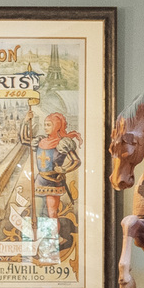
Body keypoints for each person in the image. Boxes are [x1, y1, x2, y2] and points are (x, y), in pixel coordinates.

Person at [31, 109, 81, 266]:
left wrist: (63, 169)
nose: (45, 127)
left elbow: (76, 161)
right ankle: (41, 246)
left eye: (48, 124)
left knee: (52, 214)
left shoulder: (63, 143)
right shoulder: (39, 141)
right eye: (44, 124)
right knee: (39, 215)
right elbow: (25, 139)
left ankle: (51, 248)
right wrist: (27, 121)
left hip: (53, 183)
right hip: (39, 182)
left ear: (56, 126)